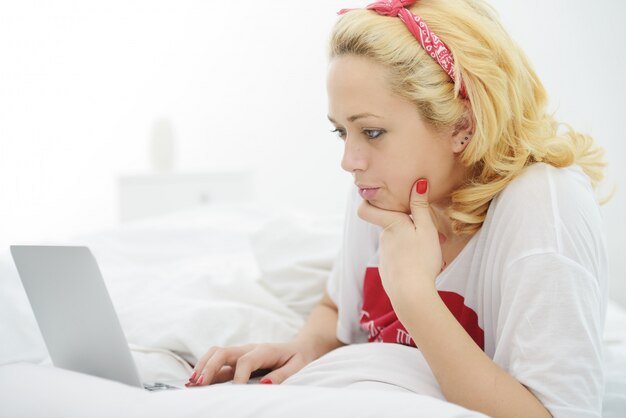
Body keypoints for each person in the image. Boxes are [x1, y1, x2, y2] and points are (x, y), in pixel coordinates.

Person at [187, 0, 609, 417]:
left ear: (462, 125)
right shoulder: (383, 190)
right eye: (342, 133)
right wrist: (303, 348)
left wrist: (414, 296)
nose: (350, 160)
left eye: (372, 132)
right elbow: (337, 308)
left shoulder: (543, 207)